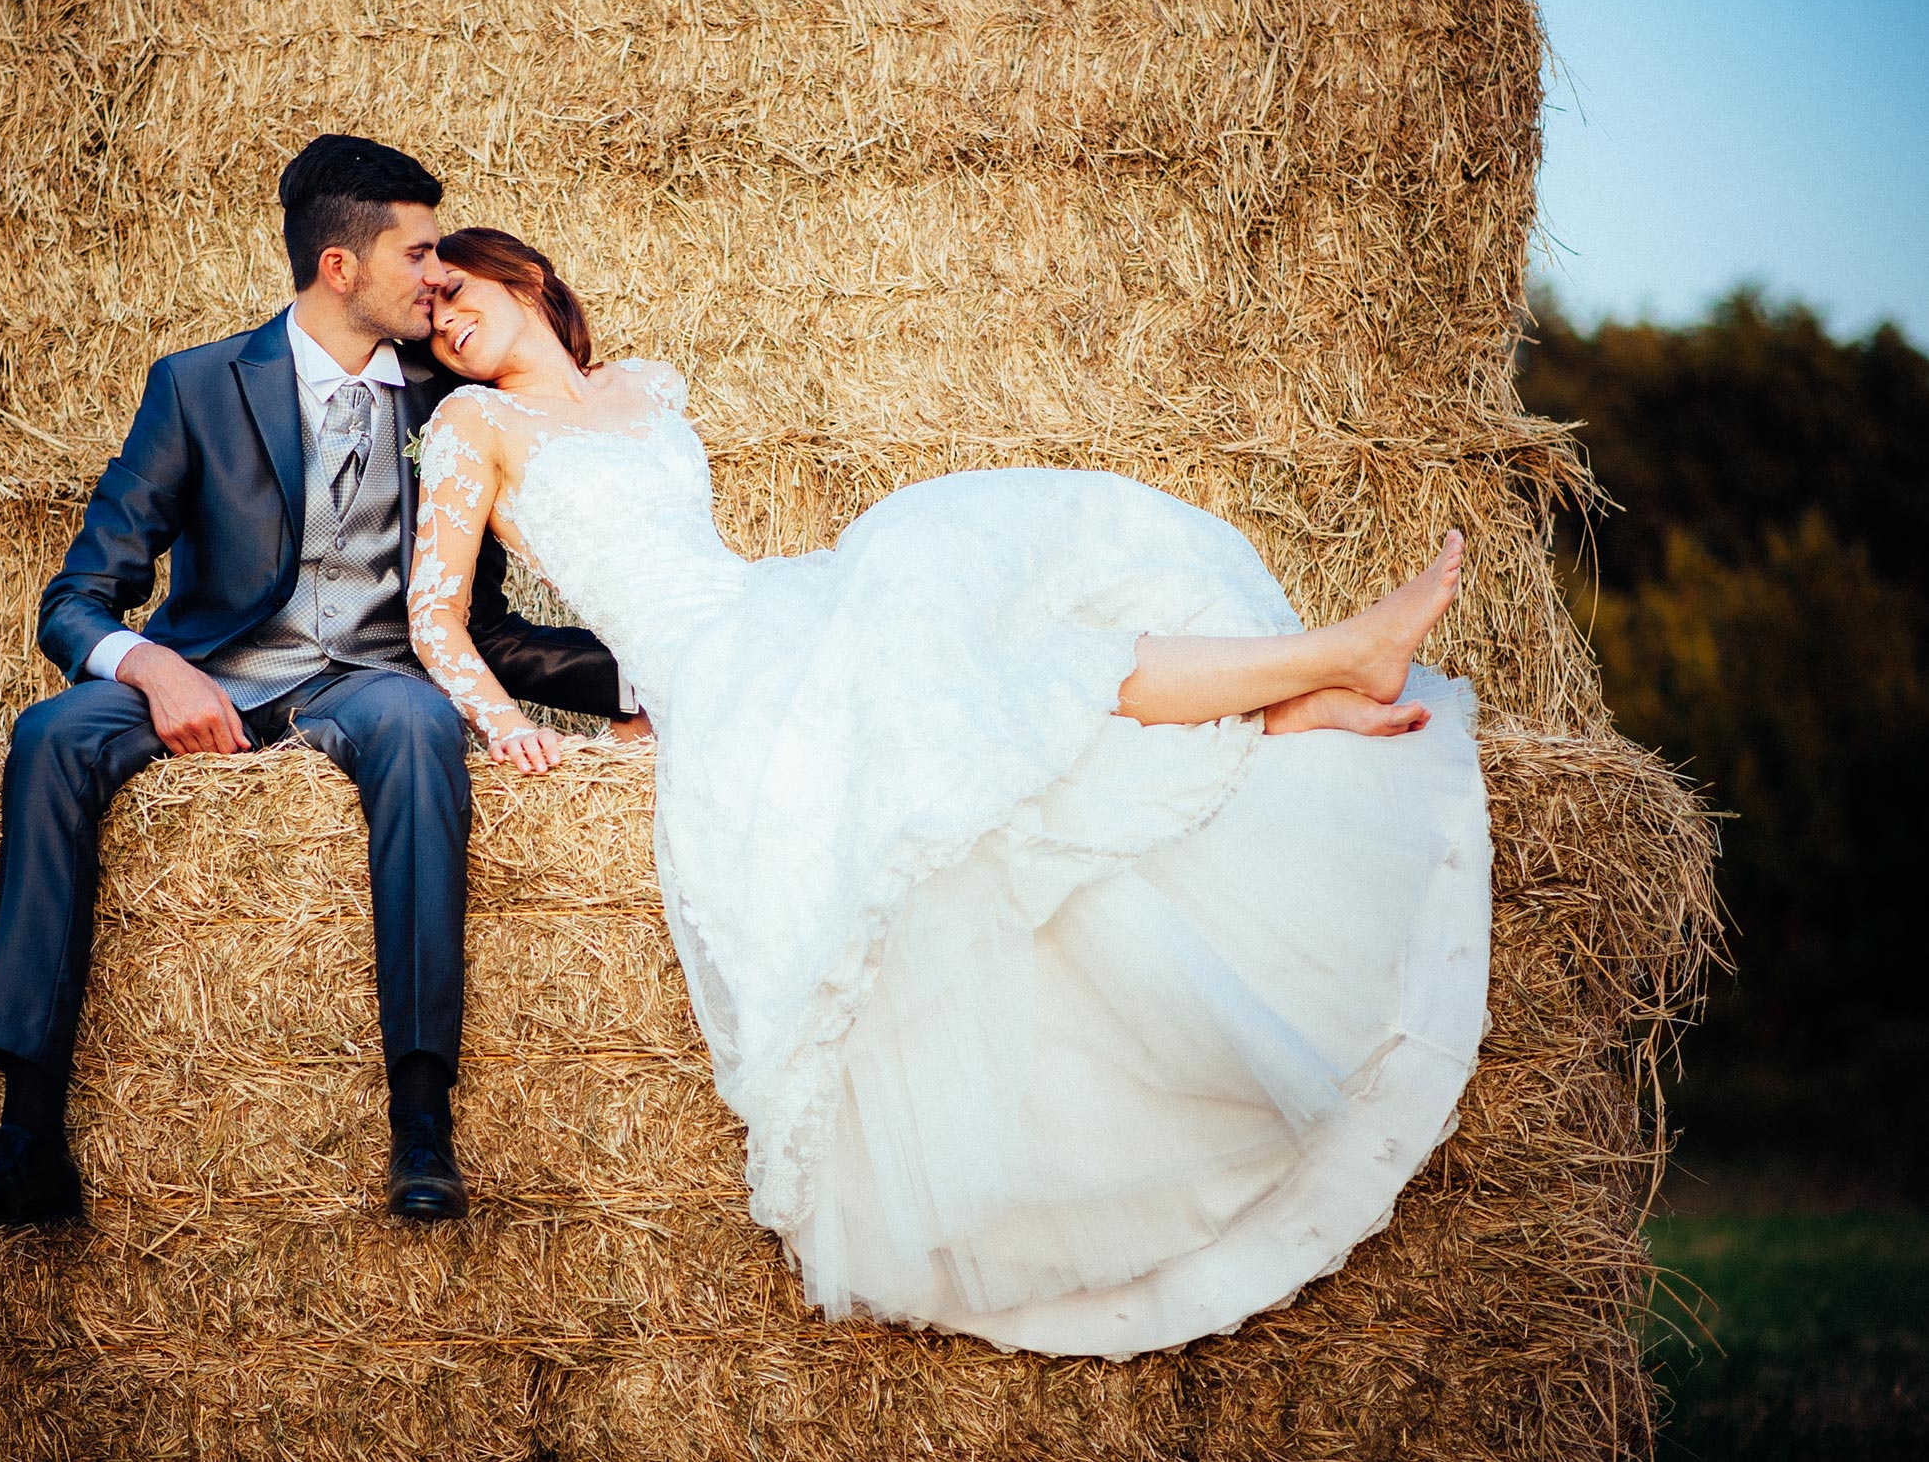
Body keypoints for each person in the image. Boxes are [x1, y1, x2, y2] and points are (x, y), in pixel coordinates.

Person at [404, 227, 1494, 1357]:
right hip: (711, 669)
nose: (443, 321)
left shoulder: (644, 386)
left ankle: (1287, 693)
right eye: (428, 317)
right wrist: (508, 724)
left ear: (523, 275)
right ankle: (1322, 667)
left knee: (991, 639)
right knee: (989, 688)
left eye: (455, 290)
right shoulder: (473, 424)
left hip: (765, 611)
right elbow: (435, 616)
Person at [0, 141, 640, 1234]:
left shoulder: (446, 401)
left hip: (370, 679)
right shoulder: (197, 387)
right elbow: (75, 596)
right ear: (340, 267)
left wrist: (650, 675)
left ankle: (422, 1122)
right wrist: (150, 664)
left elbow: (482, 625)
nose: (438, 276)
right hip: (214, 667)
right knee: (52, 734)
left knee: (418, 723)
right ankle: (25, 1139)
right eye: (419, 253)